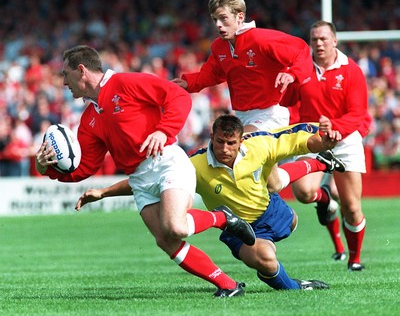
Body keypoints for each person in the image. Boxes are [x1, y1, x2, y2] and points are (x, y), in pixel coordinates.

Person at [35, 45, 257, 298]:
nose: (63, 81)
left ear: (82, 70)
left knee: (176, 227)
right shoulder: (89, 120)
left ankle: (222, 218)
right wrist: (45, 168)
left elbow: (178, 96)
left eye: (65, 74)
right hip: (140, 179)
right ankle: (228, 285)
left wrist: (163, 130)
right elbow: (84, 167)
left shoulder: (126, 82)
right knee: (166, 240)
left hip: (166, 161)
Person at [75, 114, 345, 292]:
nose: (224, 149)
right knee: (265, 260)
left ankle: (318, 165)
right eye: (219, 142)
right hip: (241, 228)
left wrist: (321, 142)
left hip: (272, 209)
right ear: (211, 138)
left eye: (230, 143)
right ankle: (295, 288)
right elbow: (148, 182)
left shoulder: (259, 144)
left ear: (241, 141)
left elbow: (298, 136)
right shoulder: (195, 166)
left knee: (275, 183)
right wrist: (103, 192)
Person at [172, 0, 314, 193]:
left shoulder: (260, 39)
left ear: (240, 17)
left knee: (230, 148)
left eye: (223, 18)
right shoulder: (220, 47)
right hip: (243, 116)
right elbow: (211, 74)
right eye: (215, 19)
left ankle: (235, 216)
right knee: (272, 184)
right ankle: (314, 166)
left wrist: (292, 73)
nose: (218, 25)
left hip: (270, 114)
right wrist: (187, 83)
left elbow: (300, 49)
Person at [283, 21, 371, 271]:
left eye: (323, 39)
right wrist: (286, 78)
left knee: (352, 207)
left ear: (334, 41)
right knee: (302, 192)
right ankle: (325, 202)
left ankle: (354, 259)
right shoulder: (301, 69)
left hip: (344, 139)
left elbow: (358, 114)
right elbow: (287, 100)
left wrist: (334, 126)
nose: (318, 44)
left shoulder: (351, 70)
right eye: (314, 39)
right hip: (312, 138)